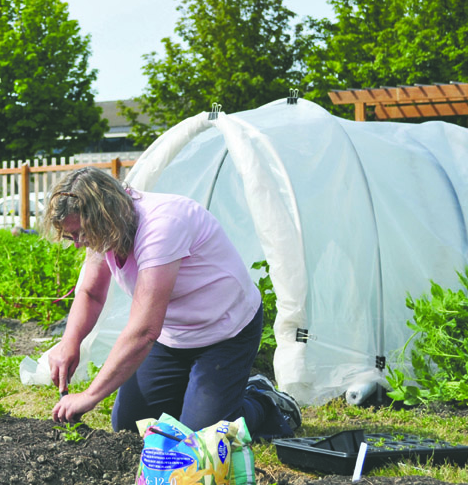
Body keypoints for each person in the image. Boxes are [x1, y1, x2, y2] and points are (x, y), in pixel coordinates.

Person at [45, 167, 300, 438]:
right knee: (131, 426)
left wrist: (89, 395)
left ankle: (262, 400)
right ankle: (200, 400)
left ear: (103, 217)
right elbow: (92, 293)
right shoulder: (105, 232)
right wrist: (70, 341)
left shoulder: (161, 226)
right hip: (173, 335)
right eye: (71, 237)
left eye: (80, 234)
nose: (78, 244)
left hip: (224, 331)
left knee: (203, 438)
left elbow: (144, 332)